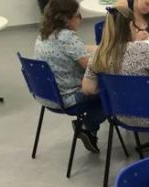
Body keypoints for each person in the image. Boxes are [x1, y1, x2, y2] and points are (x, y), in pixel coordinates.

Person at [82, 6, 149, 129]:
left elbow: (88, 89)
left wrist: (114, 89)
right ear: (131, 25)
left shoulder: (98, 54)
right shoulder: (141, 50)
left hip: (122, 115)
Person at [34, 0, 106, 153]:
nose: (81, 19)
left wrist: (100, 48)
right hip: (70, 97)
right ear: (66, 19)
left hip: (48, 95)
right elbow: (93, 68)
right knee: (111, 94)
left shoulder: (44, 34)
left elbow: (76, 50)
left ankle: (88, 128)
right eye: (77, 15)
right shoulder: (67, 37)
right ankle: (87, 126)